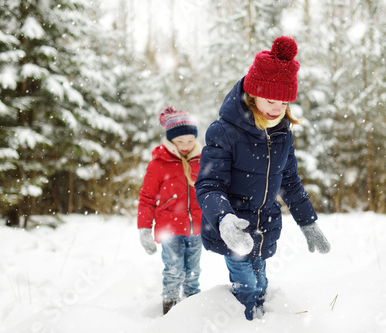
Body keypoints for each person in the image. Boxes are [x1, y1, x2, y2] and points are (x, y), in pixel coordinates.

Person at [194, 36, 331, 321]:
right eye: (270, 99)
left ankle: (262, 322)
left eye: (284, 102)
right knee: (247, 289)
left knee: (261, 284)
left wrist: (308, 222)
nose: (277, 108)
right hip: (236, 227)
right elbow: (209, 185)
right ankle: (243, 324)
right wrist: (224, 219)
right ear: (253, 94)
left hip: (265, 226)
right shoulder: (224, 131)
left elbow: (290, 181)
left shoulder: (282, 134)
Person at [137, 106, 203, 315]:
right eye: (180, 141)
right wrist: (144, 229)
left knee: (193, 272)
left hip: (197, 228)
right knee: (174, 270)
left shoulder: (203, 161)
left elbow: (212, 191)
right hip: (169, 229)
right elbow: (147, 199)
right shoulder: (159, 164)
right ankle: (171, 308)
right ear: (171, 140)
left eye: (190, 141)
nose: (185, 146)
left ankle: (193, 308)